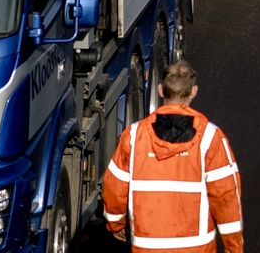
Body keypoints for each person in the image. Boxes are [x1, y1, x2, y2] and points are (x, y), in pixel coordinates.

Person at [104, 62, 244, 253]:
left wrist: (116, 223)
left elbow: (115, 186)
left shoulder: (135, 136)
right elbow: (226, 197)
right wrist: (233, 247)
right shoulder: (211, 138)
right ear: (193, 91)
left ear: (161, 90)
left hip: (147, 247)